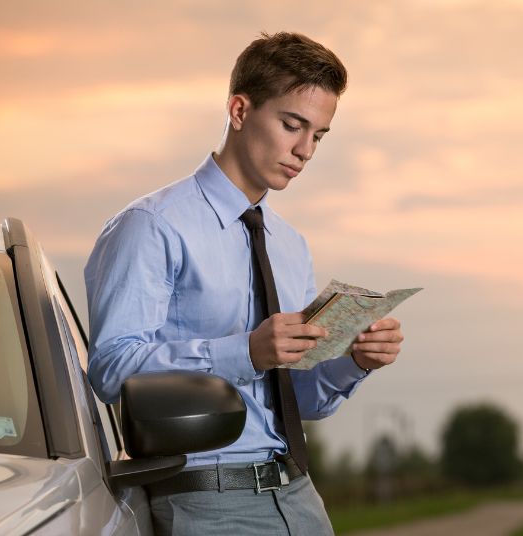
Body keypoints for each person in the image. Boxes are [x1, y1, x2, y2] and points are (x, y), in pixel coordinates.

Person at [84, 32, 405, 535]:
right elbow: (111, 368)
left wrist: (352, 363)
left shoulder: (289, 244)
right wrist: (245, 351)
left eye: (318, 135)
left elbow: (301, 398)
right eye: (292, 125)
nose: (304, 151)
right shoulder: (152, 226)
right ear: (239, 110)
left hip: (298, 493)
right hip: (205, 497)